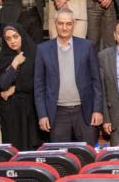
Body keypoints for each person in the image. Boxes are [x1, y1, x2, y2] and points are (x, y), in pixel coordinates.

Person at [35, 9, 104, 144]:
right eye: (61, 23)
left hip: (85, 112)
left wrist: (97, 110)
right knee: (60, 155)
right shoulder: (43, 49)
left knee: (88, 153)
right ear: (55, 24)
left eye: (68, 24)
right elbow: (39, 87)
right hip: (57, 113)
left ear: (74, 24)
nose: (64, 27)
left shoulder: (87, 46)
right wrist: (42, 115)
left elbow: (96, 81)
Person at [0, 24, 41, 150]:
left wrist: (16, 88)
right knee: (13, 150)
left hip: (31, 110)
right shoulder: (4, 57)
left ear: (22, 36)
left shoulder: (35, 53)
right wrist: (15, 63)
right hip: (10, 114)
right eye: (8, 39)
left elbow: (39, 81)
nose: (12, 41)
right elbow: (2, 84)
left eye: (15, 36)